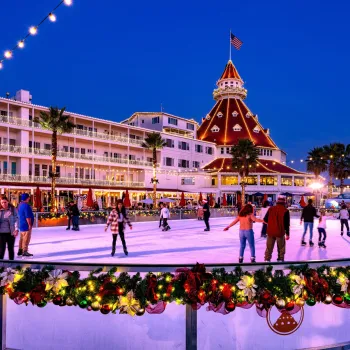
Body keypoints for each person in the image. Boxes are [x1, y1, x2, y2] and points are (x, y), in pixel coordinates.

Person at [263, 195, 290, 262]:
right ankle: (280, 260)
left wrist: (272, 224)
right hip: (280, 232)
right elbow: (287, 224)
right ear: (284, 202)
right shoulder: (285, 211)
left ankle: (267, 260)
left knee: (269, 248)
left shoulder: (271, 209)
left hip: (270, 232)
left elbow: (265, 220)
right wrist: (287, 234)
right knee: (281, 248)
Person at [0, 195, 19, 260]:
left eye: (5, 202)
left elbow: (16, 219)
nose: (4, 204)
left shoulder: (13, 209)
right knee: (1, 249)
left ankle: (11, 263)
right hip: (1, 233)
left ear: (8, 202)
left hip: (11, 232)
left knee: (11, 249)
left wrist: (16, 229)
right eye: (2, 202)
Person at [17, 193, 34, 257]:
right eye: (28, 197)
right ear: (26, 198)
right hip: (26, 224)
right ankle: (25, 251)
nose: (29, 198)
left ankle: (20, 250)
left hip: (21, 223)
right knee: (26, 238)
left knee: (22, 238)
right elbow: (27, 216)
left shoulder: (20, 205)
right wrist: (29, 224)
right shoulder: (26, 206)